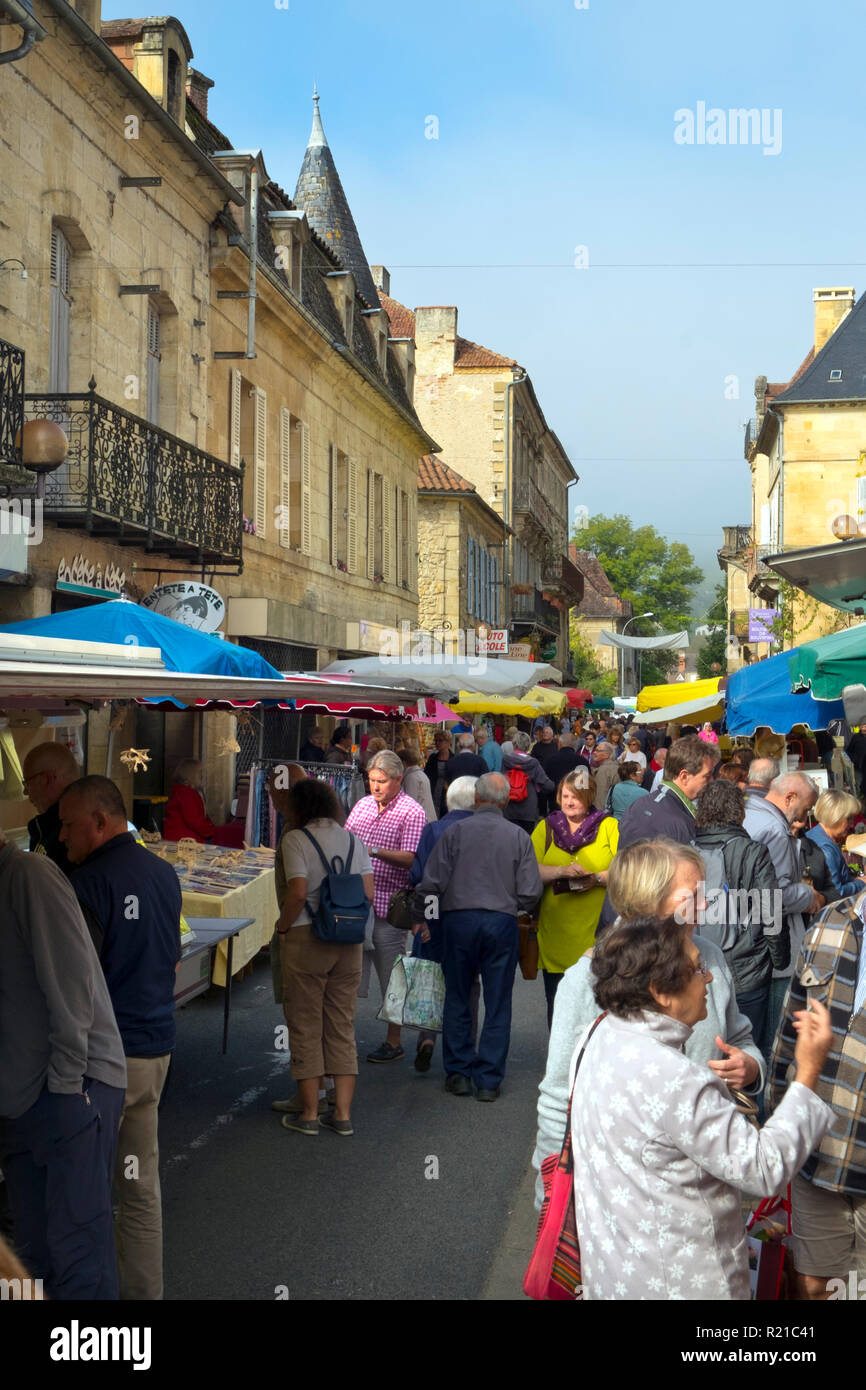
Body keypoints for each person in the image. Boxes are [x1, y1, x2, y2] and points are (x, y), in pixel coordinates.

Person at [569, 917, 834, 1300]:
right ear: (660, 991)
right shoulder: (676, 1078)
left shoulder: (597, 1034)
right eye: (698, 968)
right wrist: (808, 1072)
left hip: (614, 1272)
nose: (708, 979)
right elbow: (763, 1168)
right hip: (680, 1280)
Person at [533, 837, 766, 1208]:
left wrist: (751, 1067)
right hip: (623, 1196)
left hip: (709, 1185)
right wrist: (551, 1197)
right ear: (648, 900)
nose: (705, 906)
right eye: (692, 896)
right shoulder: (587, 980)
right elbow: (560, 1095)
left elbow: (741, 1036)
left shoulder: (712, 957)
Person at [58, 775, 182, 1301]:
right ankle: (142, 1298)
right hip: (155, 1048)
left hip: (107, 1061)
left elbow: (74, 981)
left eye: (68, 825)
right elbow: (171, 954)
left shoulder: (88, 883)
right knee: (137, 1186)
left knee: (80, 1190)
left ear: (100, 822)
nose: (62, 837)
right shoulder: (162, 872)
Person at [0, 829, 127, 1300]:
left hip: (68, 1091)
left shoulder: (28, 875)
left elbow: (72, 986)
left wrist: (68, 1087)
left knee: (77, 1257)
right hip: (24, 1102)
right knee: (35, 1258)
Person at [413, 772, 542, 1100]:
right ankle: (488, 1080)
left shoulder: (455, 831)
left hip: (458, 920)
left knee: (458, 996)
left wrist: (428, 918)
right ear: (505, 800)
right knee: (498, 1001)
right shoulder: (517, 836)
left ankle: (458, 1073)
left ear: (477, 799)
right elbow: (530, 892)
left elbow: (431, 883)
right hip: (501, 922)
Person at [767, 885, 866, 1298]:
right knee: (815, 1287)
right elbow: (791, 1027)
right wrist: (775, 1127)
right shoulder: (831, 922)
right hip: (817, 1158)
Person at [272, 778, 374, 1137]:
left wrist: (283, 927)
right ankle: (342, 1115)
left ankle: (310, 1113)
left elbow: (297, 893)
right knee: (341, 1025)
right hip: (349, 941)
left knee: (305, 1024)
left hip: (305, 936)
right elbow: (368, 893)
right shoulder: (354, 840)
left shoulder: (295, 840)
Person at [694, 778, 787, 1050]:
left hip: (700, 966)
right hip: (748, 968)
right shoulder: (752, 851)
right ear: (739, 812)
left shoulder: (686, 851)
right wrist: (780, 960)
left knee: (706, 1050)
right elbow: (771, 910)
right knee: (747, 1049)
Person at [345, 750, 426, 1063]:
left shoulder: (411, 811)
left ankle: (394, 1041)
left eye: (382, 781)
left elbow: (413, 857)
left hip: (389, 909)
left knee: (392, 978)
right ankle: (343, 1038)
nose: (375, 786)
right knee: (349, 976)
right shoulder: (363, 805)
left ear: (398, 780)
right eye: (372, 780)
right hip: (356, 905)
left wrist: (374, 851)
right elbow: (348, 839)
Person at [744, 771, 825, 1053]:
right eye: (804, 808)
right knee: (771, 1040)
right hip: (772, 944)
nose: (804, 817)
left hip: (744, 941)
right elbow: (774, 896)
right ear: (789, 797)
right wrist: (808, 894)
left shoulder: (748, 812)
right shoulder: (774, 829)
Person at [530, 769, 618, 1027]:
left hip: (598, 934)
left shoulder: (609, 826)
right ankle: (560, 1065)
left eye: (576, 797)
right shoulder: (546, 827)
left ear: (589, 797)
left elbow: (627, 869)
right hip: (555, 933)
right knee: (558, 1008)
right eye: (565, 796)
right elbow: (528, 868)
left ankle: (589, 1064)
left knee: (596, 1008)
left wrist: (597, 878)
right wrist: (560, 871)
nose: (569, 802)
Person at [408, 776, 479, 1073]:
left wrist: (422, 917)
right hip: (468, 916)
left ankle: (427, 1038)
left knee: (431, 976)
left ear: (448, 801)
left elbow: (419, 877)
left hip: (434, 913)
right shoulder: (479, 830)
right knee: (466, 984)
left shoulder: (433, 830)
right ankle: (464, 1046)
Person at [616, 734, 719, 851]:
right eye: (707, 776)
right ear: (684, 776)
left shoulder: (639, 805)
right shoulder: (678, 821)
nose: (712, 780)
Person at [22, 740, 80, 874]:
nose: (25, 792)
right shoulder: (47, 827)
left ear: (47, 779)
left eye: (27, 783)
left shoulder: (76, 832)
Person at [806, 790, 866, 901]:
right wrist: (861, 883)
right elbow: (837, 891)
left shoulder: (814, 834)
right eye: (848, 819)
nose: (851, 824)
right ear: (835, 816)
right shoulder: (826, 849)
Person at [501, 731, 554, 835]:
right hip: (528, 808)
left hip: (509, 807)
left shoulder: (506, 760)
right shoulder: (533, 763)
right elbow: (547, 785)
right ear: (528, 746)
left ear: (514, 744)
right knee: (526, 842)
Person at [163, 758, 218, 843]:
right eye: (200, 774)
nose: (203, 776)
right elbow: (194, 821)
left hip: (183, 837)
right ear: (191, 776)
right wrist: (212, 831)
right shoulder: (185, 794)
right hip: (184, 839)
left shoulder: (185, 792)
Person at [440, 732, 487, 814]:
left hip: (455, 802)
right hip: (474, 802)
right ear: (473, 745)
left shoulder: (451, 762)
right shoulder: (480, 762)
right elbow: (485, 784)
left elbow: (446, 785)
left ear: (458, 745)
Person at [397, 747, 437, 823]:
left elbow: (410, 801)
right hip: (427, 817)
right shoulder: (419, 774)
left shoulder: (411, 777)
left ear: (404, 762)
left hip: (421, 820)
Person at [424, 730, 452, 812]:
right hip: (433, 791)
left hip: (447, 792)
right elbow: (427, 774)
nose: (437, 743)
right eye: (436, 740)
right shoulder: (433, 758)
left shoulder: (453, 758)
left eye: (440, 740)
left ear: (448, 742)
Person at [590, 743, 620, 813]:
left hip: (603, 815)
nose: (594, 752)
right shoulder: (617, 768)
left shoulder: (604, 771)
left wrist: (597, 816)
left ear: (607, 755)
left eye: (598, 750)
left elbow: (600, 798)